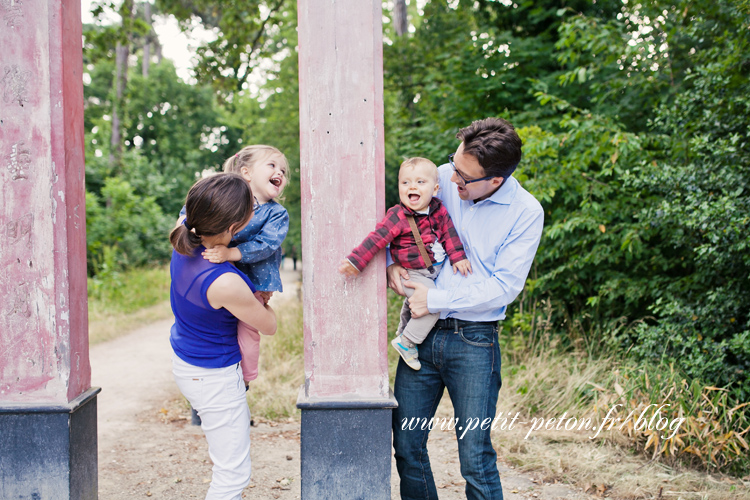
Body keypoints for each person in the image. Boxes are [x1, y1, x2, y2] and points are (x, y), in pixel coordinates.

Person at [388, 118, 544, 500]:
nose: (452, 181)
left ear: (495, 180)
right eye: (453, 166)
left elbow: (504, 286)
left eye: (463, 177)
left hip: (474, 343)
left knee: (474, 455)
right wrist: (392, 262)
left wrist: (436, 299)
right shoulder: (441, 175)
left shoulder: (526, 212)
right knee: (407, 447)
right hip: (419, 338)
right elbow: (398, 221)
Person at [169, 173, 277, 500]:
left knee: (226, 464)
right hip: (214, 378)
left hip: (188, 363)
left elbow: (197, 202)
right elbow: (269, 326)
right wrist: (262, 299)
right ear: (233, 228)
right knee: (232, 475)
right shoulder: (225, 282)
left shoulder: (185, 232)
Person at [338, 157, 471, 370]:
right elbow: (377, 239)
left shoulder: (439, 210)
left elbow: (449, 235)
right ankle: (407, 341)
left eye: (420, 182)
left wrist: (458, 257)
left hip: (431, 271)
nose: (412, 187)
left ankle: (403, 331)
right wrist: (356, 261)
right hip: (412, 272)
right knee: (431, 304)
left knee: (419, 303)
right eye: (406, 182)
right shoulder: (397, 215)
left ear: (435, 189)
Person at [183, 145, 290, 384]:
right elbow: (198, 208)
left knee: (248, 332)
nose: (280, 173)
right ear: (246, 173)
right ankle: (210, 375)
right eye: (272, 166)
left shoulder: (276, 213)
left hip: (255, 281)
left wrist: (230, 252)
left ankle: (245, 379)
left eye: (283, 170)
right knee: (217, 329)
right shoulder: (226, 200)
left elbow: (267, 244)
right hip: (223, 278)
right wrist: (183, 222)